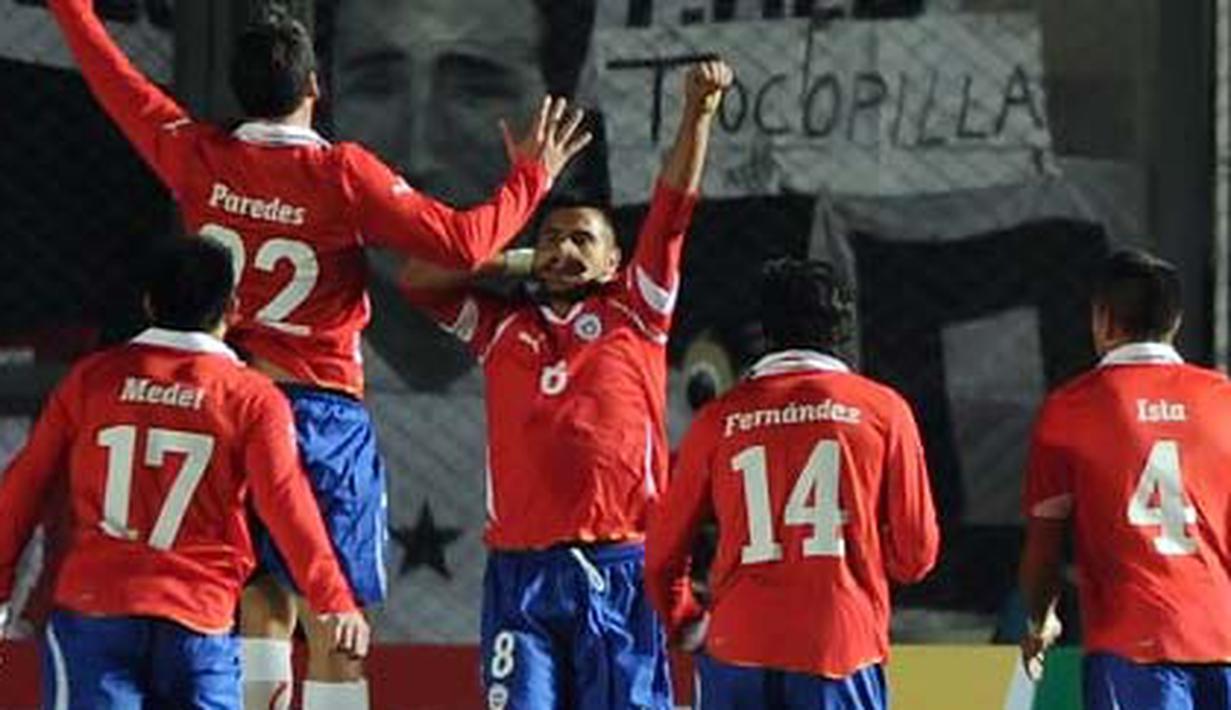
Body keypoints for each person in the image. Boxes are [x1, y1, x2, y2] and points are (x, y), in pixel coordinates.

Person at [47, 2, 591, 706]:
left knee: (259, 604)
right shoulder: (342, 174)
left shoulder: (194, 153)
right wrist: (530, 177)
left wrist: (74, 10)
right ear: (315, 90)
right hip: (321, 416)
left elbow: (113, 80)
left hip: (232, 408)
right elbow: (463, 244)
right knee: (332, 619)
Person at [399, 59, 732, 708]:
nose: (564, 248)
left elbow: (671, 210)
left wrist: (698, 114)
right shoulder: (500, 327)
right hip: (520, 575)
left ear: (614, 260)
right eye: (551, 238)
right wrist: (524, 248)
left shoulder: (637, 311)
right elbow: (419, 277)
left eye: (582, 239)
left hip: (619, 567)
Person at [0, 238, 368, 710]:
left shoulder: (92, 380)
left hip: (96, 616)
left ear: (149, 302)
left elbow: (23, 486)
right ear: (233, 308)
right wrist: (333, 599)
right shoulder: (251, 397)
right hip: (199, 625)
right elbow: (286, 503)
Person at [644, 258, 940, 709]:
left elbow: (663, 554)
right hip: (840, 644)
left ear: (765, 329)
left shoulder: (717, 421)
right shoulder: (883, 411)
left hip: (738, 644)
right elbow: (915, 555)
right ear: (842, 327)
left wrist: (687, 621)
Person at [1019, 249, 1231, 710]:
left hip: (1132, 647)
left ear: (1103, 319)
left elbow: (1044, 545)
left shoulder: (1071, 408)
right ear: (1175, 320)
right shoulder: (1223, 398)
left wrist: (1040, 619)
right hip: (1222, 640)